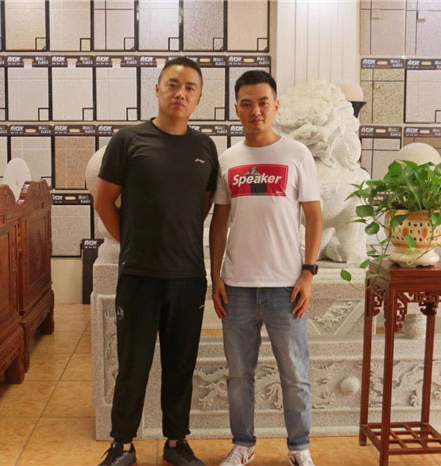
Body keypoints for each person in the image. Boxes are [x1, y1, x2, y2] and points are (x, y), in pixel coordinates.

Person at [95, 57, 219, 466]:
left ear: (198, 97)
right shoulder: (129, 140)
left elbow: (201, 207)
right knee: (133, 363)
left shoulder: (204, 148)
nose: (180, 93)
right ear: (157, 89)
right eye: (173, 84)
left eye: (190, 87)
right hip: (140, 275)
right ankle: (122, 445)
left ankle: (176, 443)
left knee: (180, 365)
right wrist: (133, 241)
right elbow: (104, 201)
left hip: (188, 276)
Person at [209, 70, 322, 466]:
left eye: (262, 103)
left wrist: (308, 272)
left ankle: (299, 448)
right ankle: (243, 444)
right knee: (239, 375)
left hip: (286, 287)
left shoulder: (296, 154)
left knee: (295, 374)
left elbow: (314, 215)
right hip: (237, 287)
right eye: (246, 104)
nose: (255, 111)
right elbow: (219, 221)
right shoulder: (229, 159)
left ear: (276, 107)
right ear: (237, 108)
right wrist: (215, 277)